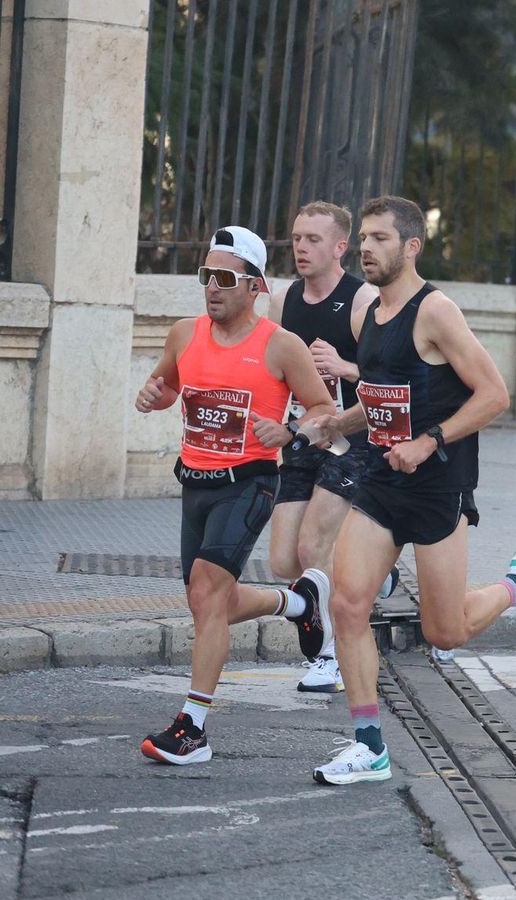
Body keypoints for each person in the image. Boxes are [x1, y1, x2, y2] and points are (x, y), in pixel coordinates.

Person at [300, 196, 516, 785]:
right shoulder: (370, 315)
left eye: (380, 239)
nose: (366, 248)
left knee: (446, 631)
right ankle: (370, 747)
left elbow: (494, 394)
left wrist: (427, 442)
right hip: (379, 481)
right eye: (363, 238)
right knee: (347, 604)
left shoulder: (435, 311)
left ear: (411, 247)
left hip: (437, 486)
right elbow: (378, 399)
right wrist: (331, 427)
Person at [133, 226, 339, 765]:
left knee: (206, 593)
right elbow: (167, 386)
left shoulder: (281, 345)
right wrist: (153, 395)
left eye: (225, 278)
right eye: (207, 276)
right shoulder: (184, 333)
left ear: (256, 286)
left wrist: (292, 432)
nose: (212, 287)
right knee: (211, 604)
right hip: (194, 483)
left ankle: (193, 728)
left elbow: (323, 411)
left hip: (248, 483)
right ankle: (298, 602)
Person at [265, 201, 388, 694]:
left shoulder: (362, 302)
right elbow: (272, 368)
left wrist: (345, 367)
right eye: (296, 238)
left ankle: (331, 656)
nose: (301, 247)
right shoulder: (282, 299)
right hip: (304, 434)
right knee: (282, 561)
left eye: (313, 239)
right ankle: (372, 566)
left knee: (314, 545)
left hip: (354, 438)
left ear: (341, 247)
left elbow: (388, 379)